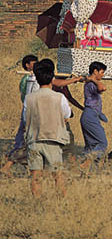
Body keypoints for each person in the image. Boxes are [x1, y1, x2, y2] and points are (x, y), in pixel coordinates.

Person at [24, 59, 71, 197]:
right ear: (52, 78)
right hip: (53, 139)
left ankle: (37, 202)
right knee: (58, 175)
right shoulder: (59, 97)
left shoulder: (29, 98)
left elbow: (26, 118)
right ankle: (61, 202)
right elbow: (67, 114)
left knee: (35, 176)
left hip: (34, 140)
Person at [1, 54, 38, 173]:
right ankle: (8, 163)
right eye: (33, 63)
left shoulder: (32, 77)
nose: (36, 65)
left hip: (28, 110)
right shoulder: (28, 79)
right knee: (24, 140)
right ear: (27, 65)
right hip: (29, 110)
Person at [80, 61, 108, 170]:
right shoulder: (91, 83)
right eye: (101, 72)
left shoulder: (91, 83)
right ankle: (86, 163)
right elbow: (103, 88)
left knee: (91, 144)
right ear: (95, 71)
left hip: (90, 115)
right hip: (90, 115)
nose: (103, 75)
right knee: (102, 142)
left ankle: (87, 170)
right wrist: (93, 79)